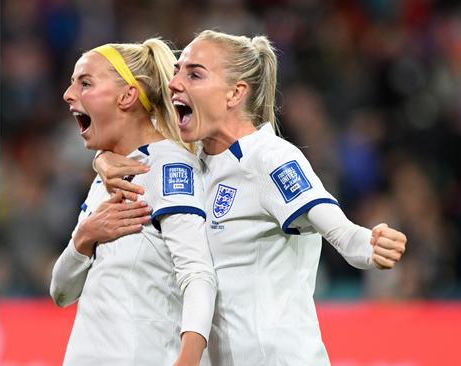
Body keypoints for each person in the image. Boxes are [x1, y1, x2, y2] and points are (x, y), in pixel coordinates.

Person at [94, 30, 407, 365]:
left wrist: (371, 244)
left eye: (194, 74)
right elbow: (131, 140)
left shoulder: (268, 157)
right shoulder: (191, 164)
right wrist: (100, 160)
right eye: (177, 71)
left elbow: (341, 232)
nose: (175, 83)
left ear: (235, 93)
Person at [49, 38, 217, 366]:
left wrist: (189, 360)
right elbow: (61, 292)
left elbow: (197, 273)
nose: (69, 95)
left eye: (85, 83)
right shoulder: (108, 174)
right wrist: (84, 238)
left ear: (127, 95)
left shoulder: (169, 168)